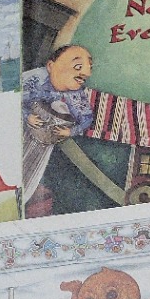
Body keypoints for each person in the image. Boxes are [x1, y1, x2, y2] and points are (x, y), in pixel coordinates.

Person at [21, 45, 96, 206]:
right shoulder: (35, 79)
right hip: (19, 133)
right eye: (78, 66)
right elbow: (12, 100)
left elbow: (86, 119)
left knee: (26, 182)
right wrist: (27, 116)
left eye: (89, 67)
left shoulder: (76, 95)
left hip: (43, 145)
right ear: (51, 66)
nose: (87, 73)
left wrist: (71, 131)